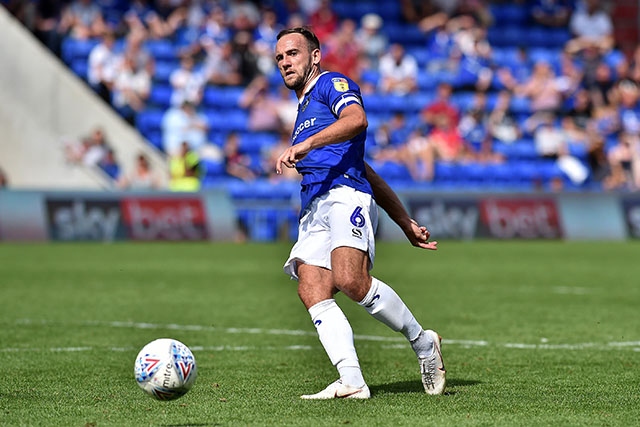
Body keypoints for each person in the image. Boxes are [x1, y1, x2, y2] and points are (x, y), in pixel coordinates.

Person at [273, 27, 445, 400]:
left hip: (344, 197)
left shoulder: (330, 84)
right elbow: (366, 167)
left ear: (314, 56)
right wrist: (404, 221)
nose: (285, 62)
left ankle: (423, 343)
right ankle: (351, 381)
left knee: (351, 280)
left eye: (293, 54)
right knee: (311, 287)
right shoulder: (303, 109)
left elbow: (357, 119)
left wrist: (305, 145)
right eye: (280, 58)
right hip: (314, 205)